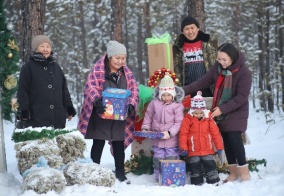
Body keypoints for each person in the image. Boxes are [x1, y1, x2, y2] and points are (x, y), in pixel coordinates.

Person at [183, 43, 252, 182]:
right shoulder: (218, 68)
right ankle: (233, 172)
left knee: (234, 137)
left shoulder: (244, 72)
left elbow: (241, 97)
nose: (221, 62)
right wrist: (182, 90)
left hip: (236, 110)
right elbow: (202, 83)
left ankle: (244, 172)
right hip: (219, 108)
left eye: (224, 59)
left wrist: (222, 109)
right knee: (226, 139)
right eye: (219, 59)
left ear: (232, 58)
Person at [77, 40, 139, 182]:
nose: (120, 61)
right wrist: (96, 101)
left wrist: (131, 105)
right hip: (102, 113)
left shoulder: (126, 74)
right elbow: (90, 87)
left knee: (118, 142)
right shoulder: (99, 71)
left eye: (123, 58)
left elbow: (134, 90)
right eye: (117, 58)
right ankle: (93, 169)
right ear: (110, 57)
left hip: (118, 115)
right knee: (98, 142)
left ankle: (120, 172)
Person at [17, 35, 76, 129]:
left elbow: (64, 90)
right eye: (42, 46)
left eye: (48, 46)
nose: (45, 49)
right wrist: (24, 111)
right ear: (36, 49)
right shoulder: (28, 67)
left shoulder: (56, 67)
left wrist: (69, 108)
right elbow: (22, 91)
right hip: (37, 116)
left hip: (58, 117)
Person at [141, 74, 184, 182]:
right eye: (163, 95)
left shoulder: (177, 106)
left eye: (168, 95)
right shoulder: (154, 103)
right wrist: (146, 127)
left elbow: (178, 122)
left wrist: (170, 133)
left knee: (171, 157)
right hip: (157, 137)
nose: (166, 97)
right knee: (158, 158)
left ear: (173, 95)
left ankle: (172, 177)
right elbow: (148, 116)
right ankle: (159, 177)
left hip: (171, 139)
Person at [179, 91, 225, 185]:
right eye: (196, 113)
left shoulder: (209, 119)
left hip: (207, 148)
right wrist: (184, 148)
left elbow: (215, 133)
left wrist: (219, 147)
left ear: (204, 112)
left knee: (209, 164)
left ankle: (213, 180)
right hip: (193, 149)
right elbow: (183, 134)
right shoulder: (187, 119)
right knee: (195, 165)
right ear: (192, 112)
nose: (198, 115)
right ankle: (197, 181)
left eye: (201, 113)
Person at [173, 15, 216, 97]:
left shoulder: (209, 43)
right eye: (187, 29)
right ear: (182, 31)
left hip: (208, 90)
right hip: (187, 91)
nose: (190, 32)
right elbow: (176, 71)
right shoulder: (177, 47)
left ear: (198, 28)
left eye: (192, 28)